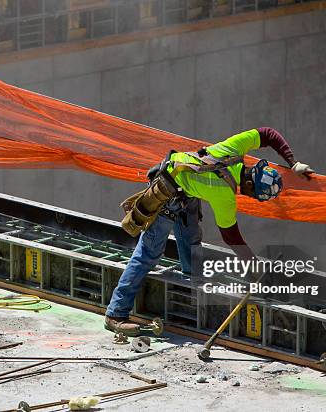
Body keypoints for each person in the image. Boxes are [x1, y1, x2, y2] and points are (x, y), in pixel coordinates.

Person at [105, 127, 314, 336]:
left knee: (192, 242)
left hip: (185, 191)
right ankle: (115, 313)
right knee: (147, 255)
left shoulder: (233, 149)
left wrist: (292, 162)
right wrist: (255, 267)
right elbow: (231, 237)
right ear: (250, 183)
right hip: (165, 192)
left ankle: (191, 289)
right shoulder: (225, 197)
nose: (250, 197)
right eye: (253, 194)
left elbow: (267, 134)